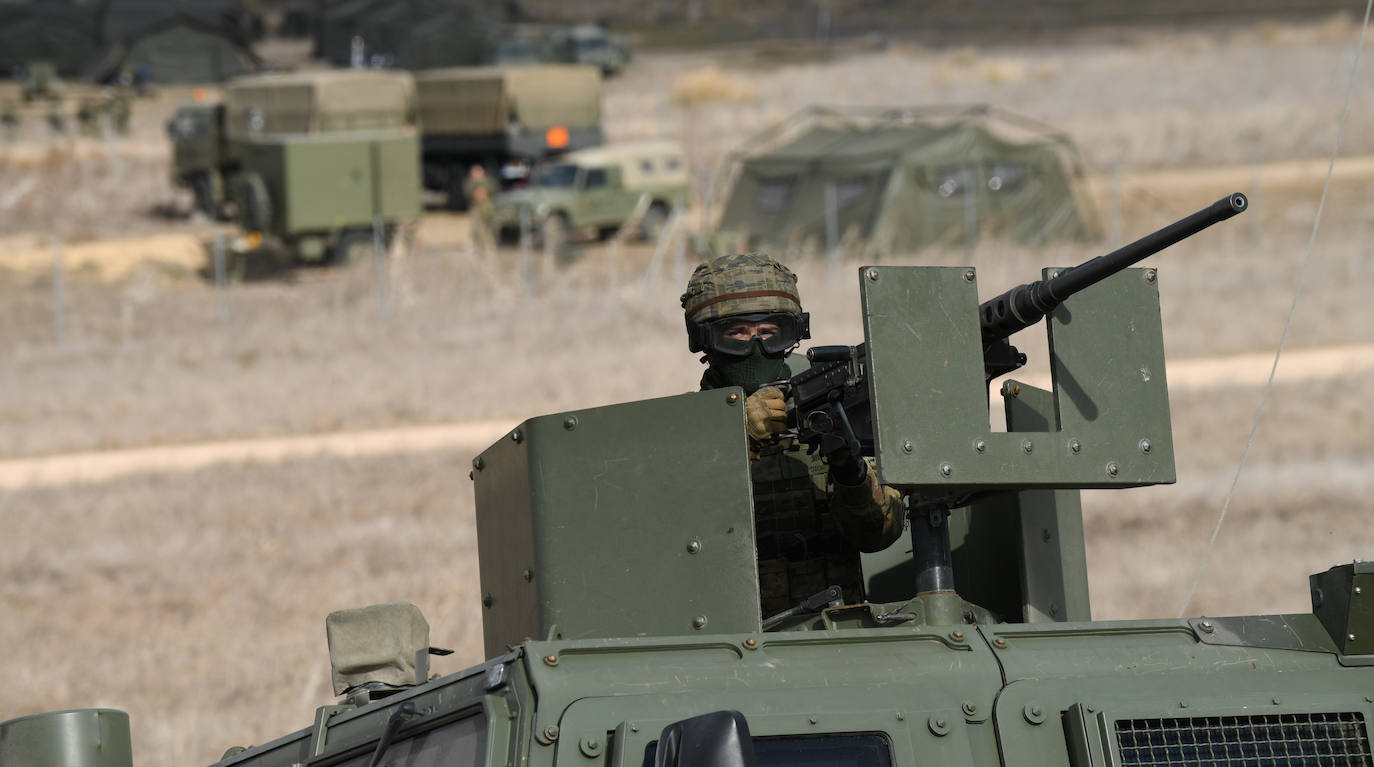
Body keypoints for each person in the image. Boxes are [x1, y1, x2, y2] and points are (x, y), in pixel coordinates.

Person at [681, 252, 904, 620]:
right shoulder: (681, 429)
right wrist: (738, 438)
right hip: (735, 634)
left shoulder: (830, 404)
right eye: (737, 333)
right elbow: (675, 528)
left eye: (770, 333)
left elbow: (879, 534)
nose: (756, 346)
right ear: (704, 339)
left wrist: (850, 471)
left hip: (837, 629)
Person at [463, 164, 498, 256]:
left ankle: (488, 246)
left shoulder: (488, 181)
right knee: (476, 229)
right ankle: (478, 247)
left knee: (487, 228)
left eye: (478, 171)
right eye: (475, 172)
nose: (477, 174)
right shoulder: (470, 182)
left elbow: (492, 189)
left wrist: (483, 192)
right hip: (476, 208)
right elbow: (469, 191)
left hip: (486, 208)